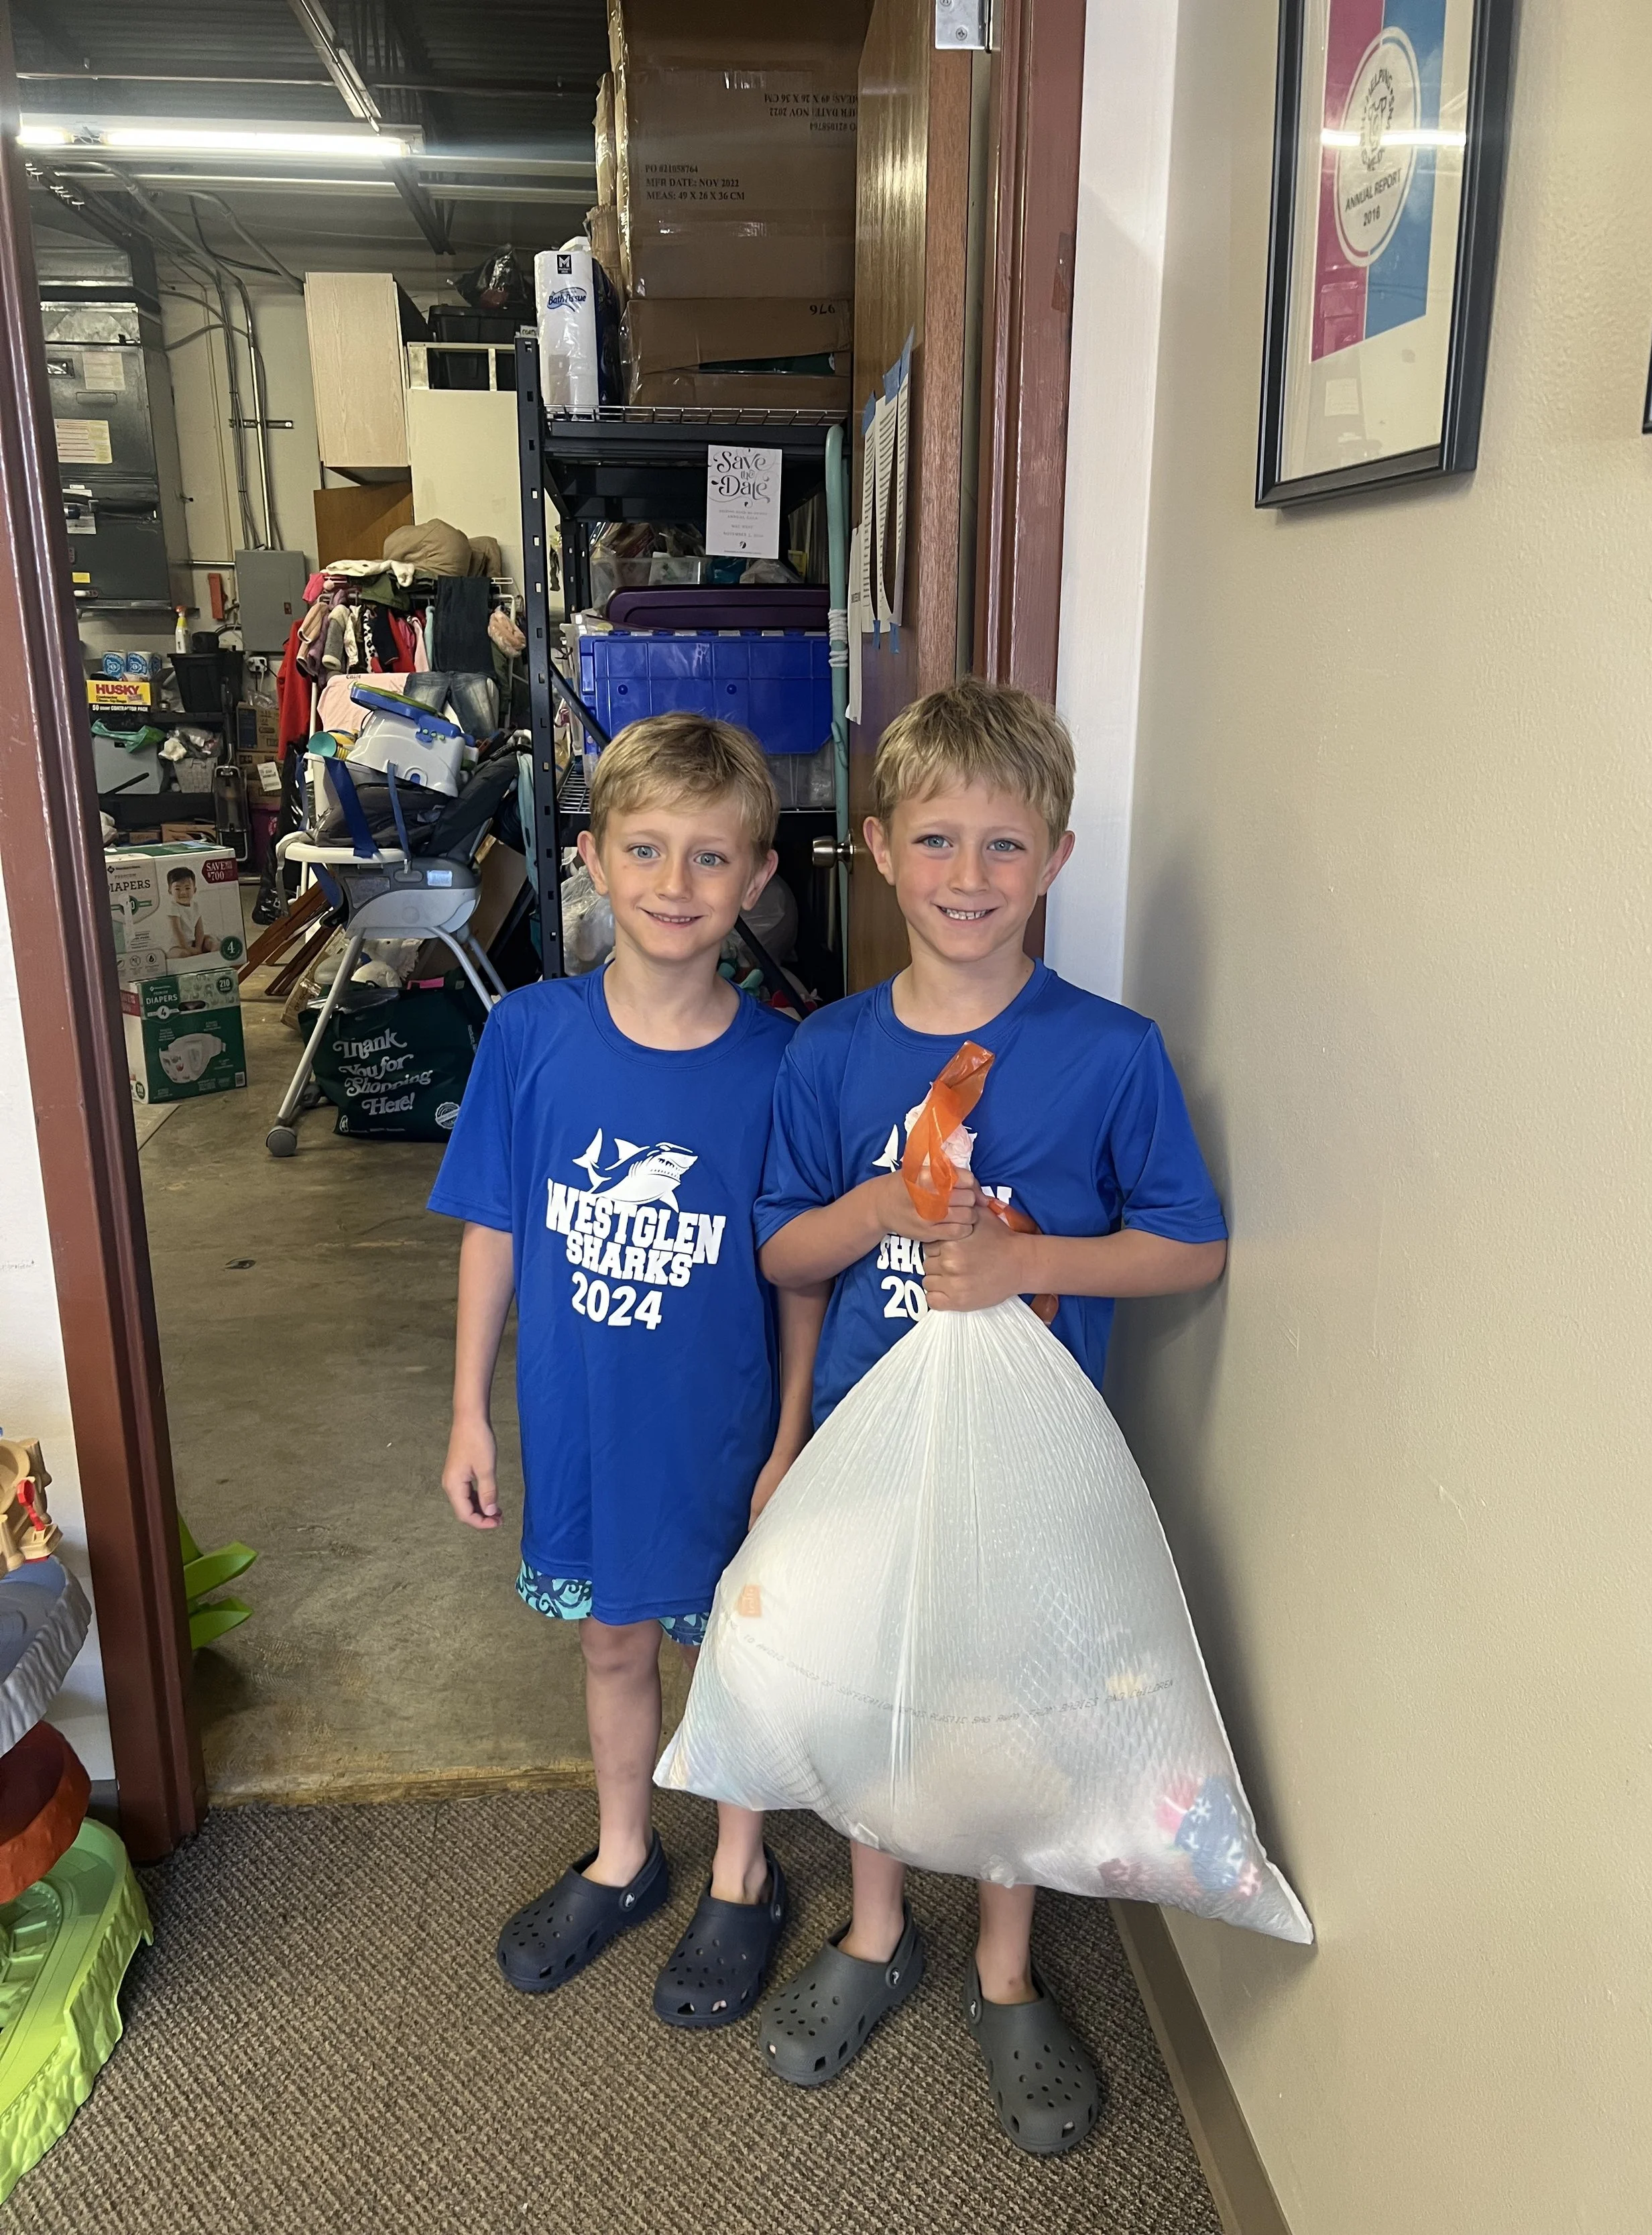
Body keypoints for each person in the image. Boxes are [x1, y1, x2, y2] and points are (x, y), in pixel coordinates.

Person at [752, 676, 1229, 2155]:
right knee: (880, 1684)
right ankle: (876, 1927)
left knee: (1012, 1700)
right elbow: (782, 1255)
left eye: (1004, 847)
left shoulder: (1111, 1052)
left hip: (1029, 1455)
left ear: (1057, 859)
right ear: (879, 849)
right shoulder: (825, 1054)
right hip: (863, 1442)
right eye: (937, 842)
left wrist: (1027, 1259)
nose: (969, 879)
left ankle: (1003, 1965)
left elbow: (1188, 1244)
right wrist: (878, 1210)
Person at [431, 713, 826, 2029]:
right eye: (644, 849)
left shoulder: (784, 1067)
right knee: (611, 1642)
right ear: (590, 857)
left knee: (735, 1658)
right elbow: (493, 1224)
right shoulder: (530, 1036)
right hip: (583, 1421)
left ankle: (738, 1870)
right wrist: (468, 1412)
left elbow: (796, 1275)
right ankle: (622, 1851)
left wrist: (785, 1445)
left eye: (709, 858)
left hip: (717, 1433)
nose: (673, 884)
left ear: (757, 878)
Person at [164, 864, 213, 956]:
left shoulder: (195, 906)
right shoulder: (173, 907)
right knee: (184, 954)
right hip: (176, 945)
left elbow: (199, 930)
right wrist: (189, 949)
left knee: (211, 940)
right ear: (170, 891)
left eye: (187, 888)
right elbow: (177, 931)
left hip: (192, 942)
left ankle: (219, 958)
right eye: (178, 889)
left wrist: (198, 947)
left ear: (194, 890)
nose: (183, 893)